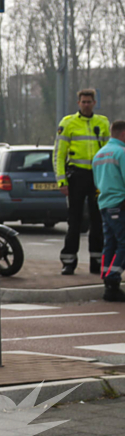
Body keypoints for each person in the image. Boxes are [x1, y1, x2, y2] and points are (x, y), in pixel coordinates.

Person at [54, 89, 109, 274]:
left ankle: (96, 261)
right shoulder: (68, 123)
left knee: (98, 220)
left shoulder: (102, 122)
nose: (86, 104)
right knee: (74, 221)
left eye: (89, 101)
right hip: (77, 176)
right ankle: (69, 262)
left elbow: (109, 151)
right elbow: (59, 154)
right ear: (78, 103)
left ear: (94, 102)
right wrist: (62, 181)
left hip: (97, 177)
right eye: (83, 102)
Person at [92, 119, 125, 301]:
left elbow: (97, 182)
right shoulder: (122, 152)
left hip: (105, 204)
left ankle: (107, 280)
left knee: (110, 244)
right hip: (120, 204)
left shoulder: (99, 154)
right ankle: (113, 280)